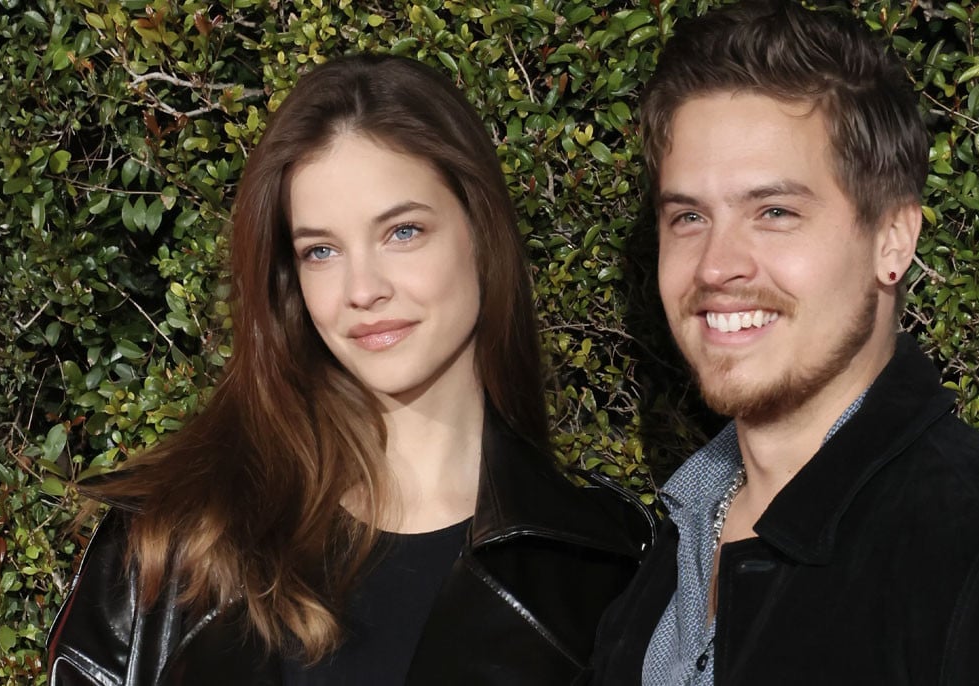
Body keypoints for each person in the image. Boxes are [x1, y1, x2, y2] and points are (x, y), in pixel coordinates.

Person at [47, 54, 652, 685]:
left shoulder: (602, 565)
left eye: (403, 232)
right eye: (321, 251)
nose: (362, 290)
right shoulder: (173, 538)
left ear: (481, 231)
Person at [588, 2, 979, 684]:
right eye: (689, 217)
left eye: (775, 212)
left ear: (892, 240)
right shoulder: (682, 528)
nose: (716, 266)